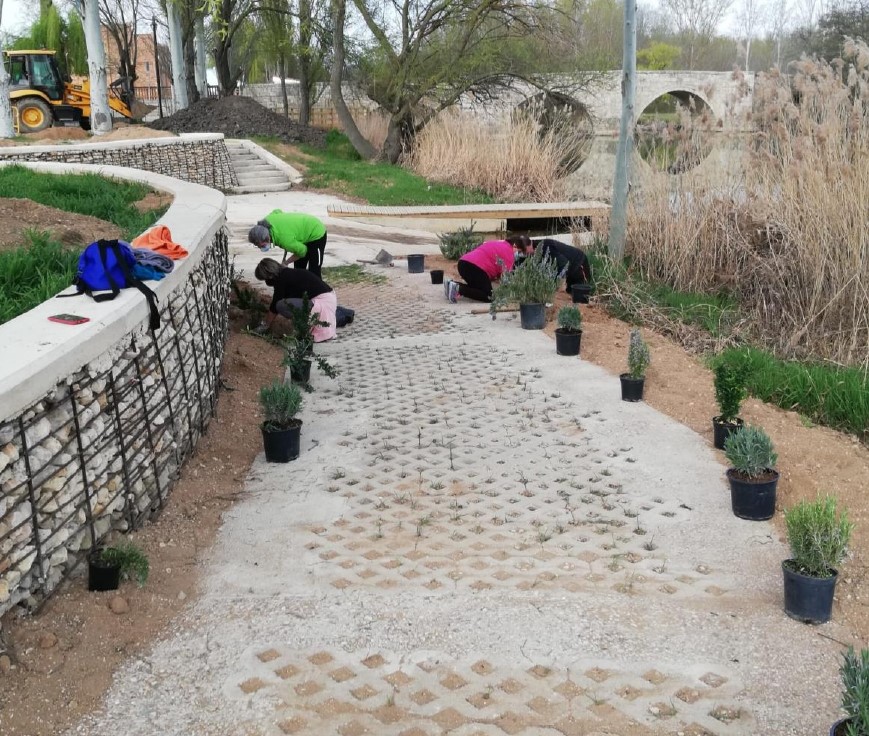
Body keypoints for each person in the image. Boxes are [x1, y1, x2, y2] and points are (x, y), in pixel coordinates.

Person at [253, 258, 337, 342]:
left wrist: (265, 325)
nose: (266, 282)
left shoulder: (281, 279)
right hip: (329, 299)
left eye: (265, 279)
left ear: (270, 275)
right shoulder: (287, 273)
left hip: (322, 303)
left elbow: (275, 305)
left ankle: (304, 326)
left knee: (281, 305)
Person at [248, 211, 328, 278]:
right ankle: (301, 293)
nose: (261, 248)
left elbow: (303, 251)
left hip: (316, 232)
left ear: (267, 238)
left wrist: (286, 263)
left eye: (262, 246)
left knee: (314, 272)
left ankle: (321, 294)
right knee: (299, 270)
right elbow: (277, 211)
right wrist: (290, 228)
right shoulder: (267, 221)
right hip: (301, 232)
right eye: (257, 246)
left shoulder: (284, 240)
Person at [444, 237, 522, 303]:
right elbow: (507, 279)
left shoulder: (496, 243)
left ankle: (452, 284)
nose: (518, 253)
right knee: (488, 296)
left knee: (478, 288)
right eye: (519, 251)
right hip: (475, 267)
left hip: (463, 263)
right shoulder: (509, 253)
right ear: (514, 246)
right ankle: (458, 289)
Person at [515, 237, 592, 294]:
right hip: (565, 268)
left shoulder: (546, 246)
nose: (523, 254)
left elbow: (563, 264)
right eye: (520, 252)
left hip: (578, 263)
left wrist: (560, 285)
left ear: (529, 245)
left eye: (523, 251)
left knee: (579, 295)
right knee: (568, 295)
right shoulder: (528, 253)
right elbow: (519, 267)